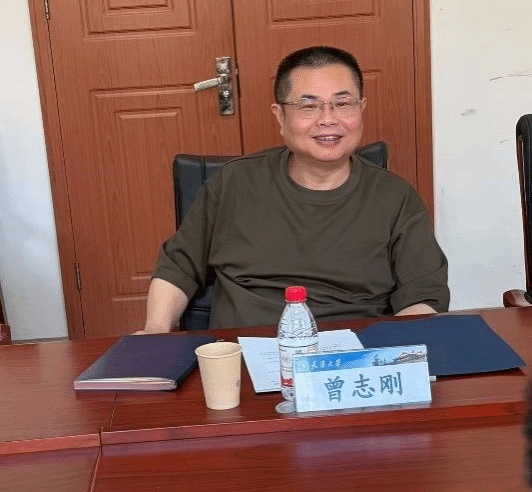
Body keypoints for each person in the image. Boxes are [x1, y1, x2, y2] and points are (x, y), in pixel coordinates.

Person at [139, 46, 449, 334]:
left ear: (361, 107)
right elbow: (178, 267)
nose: (328, 120)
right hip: (243, 354)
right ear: (280, 115)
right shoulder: (234, 183)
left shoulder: (395, 197)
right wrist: (155, 332)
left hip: (354, 358)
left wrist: (386, 353)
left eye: (343, 104)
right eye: (309, 106)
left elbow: (423, 296)